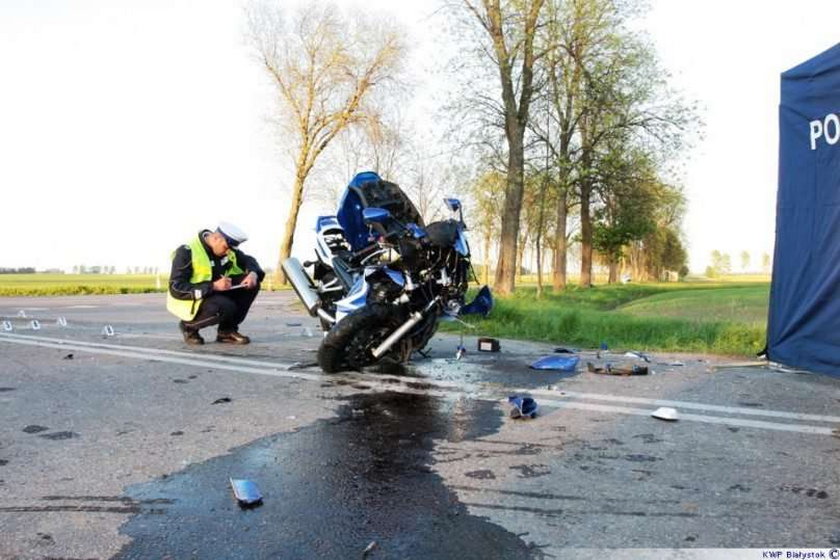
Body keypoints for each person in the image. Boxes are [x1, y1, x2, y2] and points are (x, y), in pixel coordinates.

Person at [166, 222, 265, 345]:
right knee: (225, 306)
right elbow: (177, 287)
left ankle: (226, 332)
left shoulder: (228, 249)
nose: (228, 252)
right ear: (215, 238)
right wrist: (213, 286)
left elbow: (248, 260)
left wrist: (253, 273)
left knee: (250, 285)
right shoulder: (186, 252)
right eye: (226, 247)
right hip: (194, 299)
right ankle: (188, 326)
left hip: (218, 293)